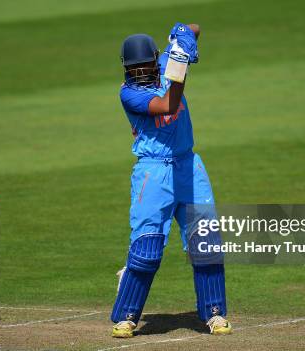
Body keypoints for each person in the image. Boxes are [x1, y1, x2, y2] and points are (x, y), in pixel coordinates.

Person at [110, 23, 232, 338]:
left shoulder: (166, 60)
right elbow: (169, 104)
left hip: (188, 165)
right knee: (147, 249)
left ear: (155, 60)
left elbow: (194, 27)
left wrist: (181, 39)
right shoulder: (129, 95)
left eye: (145, 66)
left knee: (206, 241)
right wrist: (180, 70)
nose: (139, 72)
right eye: (133, 68)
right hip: (153, 172)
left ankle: (215, 314)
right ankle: (126, 316)